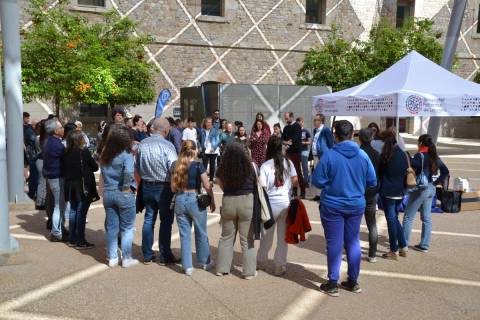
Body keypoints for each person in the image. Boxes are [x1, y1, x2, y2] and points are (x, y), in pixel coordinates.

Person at [311, 120, 376, 296]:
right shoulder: (362, 155)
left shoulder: (329, 155)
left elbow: (316, 181)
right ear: (353, 133)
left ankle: (332, 282)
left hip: (332, 204)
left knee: (334, 243)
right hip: (355, 204)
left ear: (335, 135)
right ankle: (353, 281)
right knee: (353, 241)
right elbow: (372, 180)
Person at [136, 118, 179, 265]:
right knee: (166, 221)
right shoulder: (168, 146)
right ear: (166, 131)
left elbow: (138, 166)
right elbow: (174, 167)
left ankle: (147, 254)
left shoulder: (142, 144)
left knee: (149, 219)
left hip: (147, 185)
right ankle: (165, 255)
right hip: (164, 186)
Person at [172, 140, 216, 276]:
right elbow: (207, 185)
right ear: (194, 150)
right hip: (194, 198)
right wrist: (212, 200)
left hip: (179, 198)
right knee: (201, 231)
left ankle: (187, 266)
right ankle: (204, 261)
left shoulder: (175, 165)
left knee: (184, 235)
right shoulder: (198, 165)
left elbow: (172, 187)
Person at [215, 142, 257, 279]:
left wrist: (227, 191)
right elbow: (258, 182)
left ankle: (222, 268)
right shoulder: (251, 166)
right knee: (247, 239)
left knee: (226, 237)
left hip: (229, 201)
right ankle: (249, 272)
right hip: (247, 201)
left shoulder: (223, 167)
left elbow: (219, 181)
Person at [257, 136, 297, 276]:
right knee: (282, 239)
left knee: (266, 237)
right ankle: (279, 266)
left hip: (270, 205)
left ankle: (261, 262)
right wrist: (288, 188)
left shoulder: (266, 165)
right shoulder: (288, 163)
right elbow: (295, 179)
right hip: (285, 203)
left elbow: (261, 186)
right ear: (281, 148)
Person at [403, 134, 449, 253]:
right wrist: (435, 182)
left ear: (421, 143)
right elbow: (445, 172)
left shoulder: (419, 156)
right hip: (430, 188)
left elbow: (411, 169)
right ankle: (424, 245)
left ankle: (404, 244)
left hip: (420, 188)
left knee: (408, 217)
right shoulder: (434, 156)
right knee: (426, 218)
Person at [100, 124, 138, 268]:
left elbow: (103, 173)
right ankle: (126, 257)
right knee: (127, 227)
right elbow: (128, 172)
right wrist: (127, 187)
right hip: (123, 192)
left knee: (111, 227)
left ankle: (112, 257)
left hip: (109, 192)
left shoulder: (104, 152)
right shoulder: (126, 153)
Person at [63, 131, 99, 249]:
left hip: (70, 184)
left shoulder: (66, 152)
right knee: (81, 212)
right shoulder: (83, 151)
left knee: (73, 210)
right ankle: (80, 240)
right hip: (82, 185)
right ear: (79, 139)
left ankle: (72, 239)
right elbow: (95, 167)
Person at [378, 132, 409, 260]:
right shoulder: (403, 154)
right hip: (401, 191)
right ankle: (403, 246)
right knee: (394, 218)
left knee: (391, 220)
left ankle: (393, 250)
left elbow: (379, 172)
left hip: (388, 191)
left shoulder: (386, 155)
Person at [358, 128, 380, 263]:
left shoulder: (357, 153)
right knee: (371, 223)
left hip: (357, 192)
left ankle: (350, 252)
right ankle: (372, 254)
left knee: (353, 224)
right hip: (372, 192)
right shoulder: (376, 154)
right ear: (371, 139)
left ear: (359, 138)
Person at [43, 118, 66, 242]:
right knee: (59, 206)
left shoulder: (49, 141)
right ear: (56, 131)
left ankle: (58, 229)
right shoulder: (56, 144)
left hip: (51, 177)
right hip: (56, 178)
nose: (63, 129)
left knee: (57, 204)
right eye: (61, 128)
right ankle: (56, 232)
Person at [310, 114, 334, 201]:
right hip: (316, 156)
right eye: (314, 120)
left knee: (324, 175)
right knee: (317, 175)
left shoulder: (326, 130)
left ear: (321, 121)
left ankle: (324, 195)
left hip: (323, 156)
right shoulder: (315, 130)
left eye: (316, 120)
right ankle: (318, 195)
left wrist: (329, 155)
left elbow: (331, 143)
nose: (314, 121)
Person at [281, 112, 305, 198]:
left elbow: (294, 140)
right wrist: (286, 142)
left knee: (298, 171)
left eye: (287, 118)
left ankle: (302, 192)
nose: (286, 120)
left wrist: (286, 142)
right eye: (285, 118)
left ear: (292, 117)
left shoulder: (297, 126)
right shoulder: (286, 127)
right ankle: (292, 191)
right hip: (287, 152)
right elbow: (282, 139)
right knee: (288, 172)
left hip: (295, 152)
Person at [200, 117, 220, 182]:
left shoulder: (215, 130)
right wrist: (199, 146)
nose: (209, 124)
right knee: (204, 166)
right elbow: (198, 140)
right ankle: (204, 180)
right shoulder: (202, 130)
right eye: (208, 122)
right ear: (205, 123)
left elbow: (217, 141)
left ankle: (211, 180)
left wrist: (213, 148)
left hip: (213, 151)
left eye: (210, 122)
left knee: (212, 165)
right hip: (205, 150)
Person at [24, 112, 39, 200]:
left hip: (32, 155)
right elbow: (34, 142)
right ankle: (32, 193)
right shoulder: (31, 132)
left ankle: (32, 192)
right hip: (33, 156)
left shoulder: (31, 130)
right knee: (34, 175)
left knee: (33, 175)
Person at [35, 119, 48, 210]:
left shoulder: (38, 137)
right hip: (44, 161)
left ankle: (40, 201)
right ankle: (41, 203)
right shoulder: (48, 139)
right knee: (43, 183)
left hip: (39, 160)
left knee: (41, 182)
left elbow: (37, 149)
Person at [297, 117, 311, 185]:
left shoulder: (306, 131)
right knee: (297, 167)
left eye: (300, 122)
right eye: (298, 123)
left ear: (303, 122)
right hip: (297, 151)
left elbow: (309, 142)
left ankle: (306, 181)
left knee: (305, 167)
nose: (299, 124)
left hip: (304, 151)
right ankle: (299, 181)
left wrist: (304, 143)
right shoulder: (295, 131)